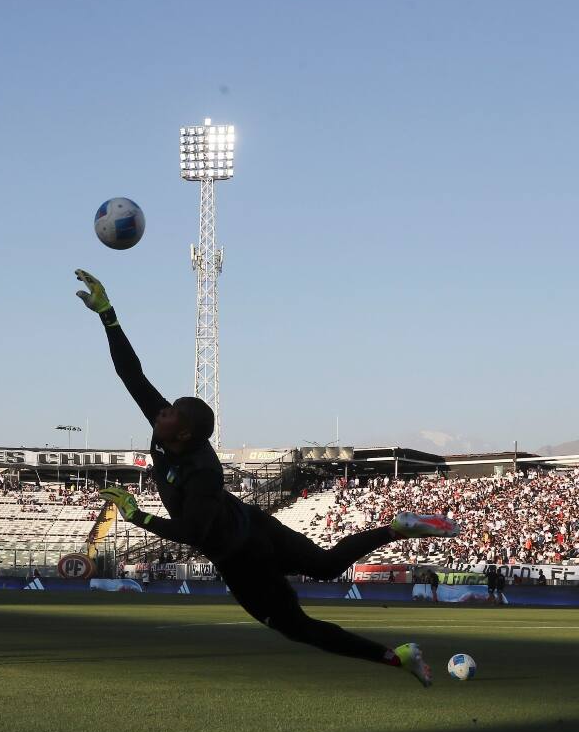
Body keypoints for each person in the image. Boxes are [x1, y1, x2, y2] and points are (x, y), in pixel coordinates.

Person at [75, 269, 459, 687]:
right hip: (254, 524)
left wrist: (136, 517)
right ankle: (396, 529)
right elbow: (131, 374)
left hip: (241, 557)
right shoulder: (172, 431)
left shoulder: (203, 471)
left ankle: (396, 658)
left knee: (296, 627)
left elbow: (191, 532)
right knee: (327, 566)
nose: (159, 413)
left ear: (183, 433)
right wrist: (108, 315)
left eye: (168, 414)